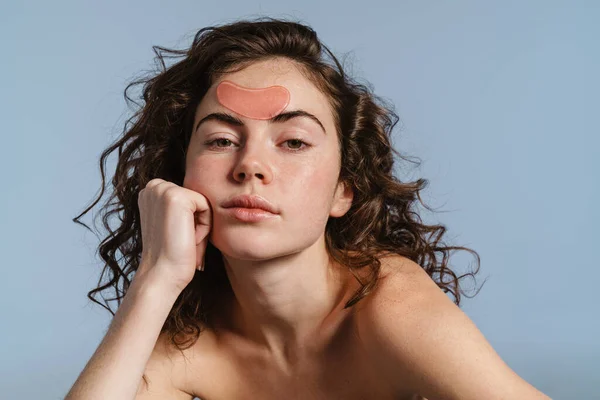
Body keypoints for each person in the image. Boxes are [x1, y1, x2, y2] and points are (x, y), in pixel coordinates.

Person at [66, 18, 551, 400]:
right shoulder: (187, 340)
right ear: (180, 180)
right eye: (221, 139)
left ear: (345, 190)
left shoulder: (387, 309)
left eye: (293, 141)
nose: (250, 166)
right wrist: (154, 281)